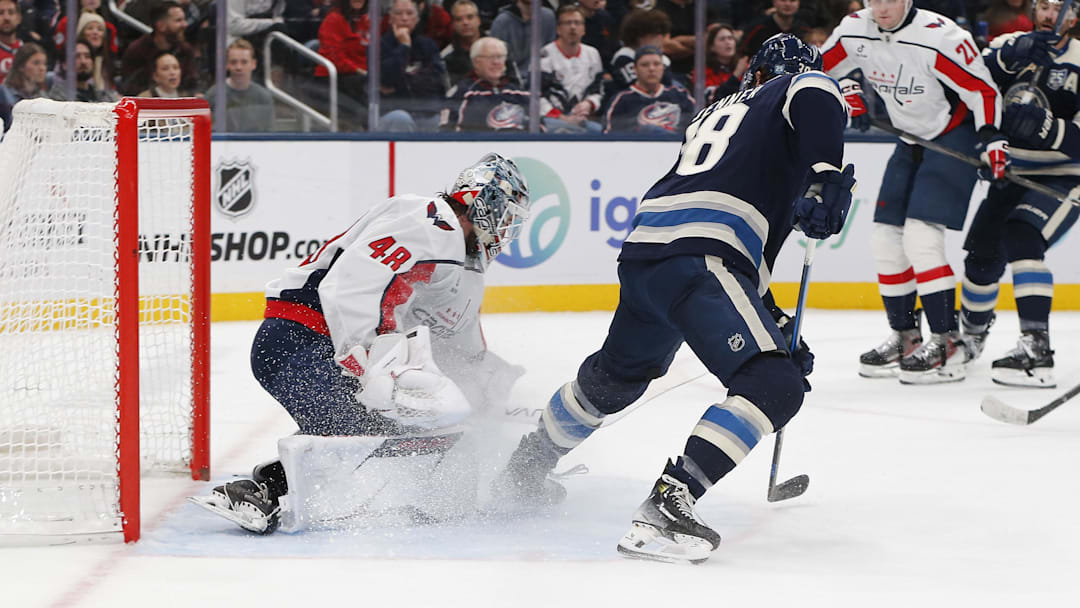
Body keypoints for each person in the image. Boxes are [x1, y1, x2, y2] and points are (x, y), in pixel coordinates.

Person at [493, 34, 852, 564]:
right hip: (704, 256)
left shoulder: (718, 111)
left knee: (613, 379)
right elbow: (814, 94)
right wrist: (824, 174)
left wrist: (768, 314)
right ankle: (668, 504)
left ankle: (523, 471)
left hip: (647, 254)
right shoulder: (798, 86)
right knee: (774, 383)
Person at [191, 153, 531, 534]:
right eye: (504, 217)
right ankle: (261, 490)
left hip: (319, 344)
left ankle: (272, 486)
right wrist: (369, 364)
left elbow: (458, 341)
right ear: (481, 203)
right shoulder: (432, 226)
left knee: (404, 429)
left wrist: (488, 391)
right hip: (298, 342)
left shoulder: (453, 256)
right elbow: (350, 286)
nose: (504, 231)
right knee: (360, 433)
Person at [822, 0, 1008, 384]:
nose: (882, 7)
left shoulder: (940, 38)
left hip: (953, 136)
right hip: (909, 138)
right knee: (884, 239)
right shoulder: (856, 29)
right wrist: (844, 88)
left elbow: (983, 92)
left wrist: (991, 140)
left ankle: (947, 341)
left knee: (922, 238)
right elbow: (816, 71)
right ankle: (906, 336)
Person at [959, 0, 1080, 387]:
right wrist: (1007, 58)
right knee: (980, 255)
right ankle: (970, 339)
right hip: (1010, 171)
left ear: (1074, 17)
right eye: (1041, 6)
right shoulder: (1010, 44)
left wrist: (1049, 131)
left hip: (1064, 176)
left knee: (1023, 234)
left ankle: (1036, 347)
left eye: (1056, 8)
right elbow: (969, 85)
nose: (1047, 14)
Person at [378, 0, 448, 132]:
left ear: (417, 19)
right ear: (390, 18)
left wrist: (401, 82)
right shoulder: (380, 46)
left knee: (437, 120)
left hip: (426, 112)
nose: (404, 18)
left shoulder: (429, 45)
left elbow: (436, 83)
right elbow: (386, 79)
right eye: (398, 13)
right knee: (401, 119)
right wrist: (404, 46)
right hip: (392, 112)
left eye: (409, 13)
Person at [539, 5, 604, 133]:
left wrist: (589, 104)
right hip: (552, 119)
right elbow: (536, 96)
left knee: (598, 130)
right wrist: (561, 117)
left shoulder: (592, 54)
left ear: (584, 29)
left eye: (577, 23)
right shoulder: (545, 54)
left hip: (584, 118)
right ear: (558, 29)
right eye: (567, 23)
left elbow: (598, 90)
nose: (573, 27)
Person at [443, 36, 530, 131]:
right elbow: (447, 131)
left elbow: (540, 128)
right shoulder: (462, 92)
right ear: (476, 62)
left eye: (500, 57)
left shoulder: (519, 93)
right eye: (491, 57)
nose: (496, 62)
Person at [604, 45, 694, 133]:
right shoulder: (621, 100)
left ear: (663, 68)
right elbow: (610, 136)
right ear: (635, 69)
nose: (651, 69)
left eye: (656, 64)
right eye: (645, 65)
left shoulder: (680, 95)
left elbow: (696, 127)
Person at [120, 1, 199, 95]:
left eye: (184, 20)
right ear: (161, 26)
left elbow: (192, 86)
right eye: (178, 20)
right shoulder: (137, 51)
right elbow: (130, 90)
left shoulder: (185, 51)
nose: (185, 25)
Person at [316, 0, 370, 130]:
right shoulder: (333, 20)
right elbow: (334, 56)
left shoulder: (365, 21)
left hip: (359, 76)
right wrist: (359, 70)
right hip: (335, 78)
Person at [206, 39, 275, 131]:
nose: (238, 67)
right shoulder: (213, 95)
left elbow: (269, 134)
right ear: (227, 64)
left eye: (244, 62)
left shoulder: (264, 97)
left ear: (254, 64)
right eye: (233, 62)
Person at [489, 0, 555, 83]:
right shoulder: (502, 22)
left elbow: (550, 54)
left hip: (543, 79)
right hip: (511, 82)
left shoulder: (549, 17)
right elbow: (494, 59)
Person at [609, 9, 673, 93]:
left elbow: (667, 87)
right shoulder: (624, 57)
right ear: (640, 36)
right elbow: (636, 87)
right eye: (655, 34)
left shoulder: (664, 60)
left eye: (662, 34)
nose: (660, 38)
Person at [46, 38, 118, 102]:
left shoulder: (104, 97)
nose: (83, 61)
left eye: (87, 56)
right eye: (76, 57)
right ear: (65, 64)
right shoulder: (57, 98)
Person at [0, 41, 49, 131]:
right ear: (21, 66)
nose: (42, 68)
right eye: (36, 63)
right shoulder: (3, 94)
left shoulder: (43, 96)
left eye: (44, 64)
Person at [739, 0, 812, 58]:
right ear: (774, 2)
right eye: (783, 0)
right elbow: (742, 54)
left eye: (792, 0)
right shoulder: (758, 28)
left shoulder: (805, 30)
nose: (787, 4)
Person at [440, 0, 484, 86]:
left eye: (470, 17)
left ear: (479, 20)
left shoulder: (500, 49)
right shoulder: (445, 58)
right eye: (459, 19)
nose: (465, 22)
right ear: (453, 25)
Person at [0, 0, 27, 85]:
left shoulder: (30, 52)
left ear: (19, 18)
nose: (6, 18)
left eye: (11, 12)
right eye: (1, 13)